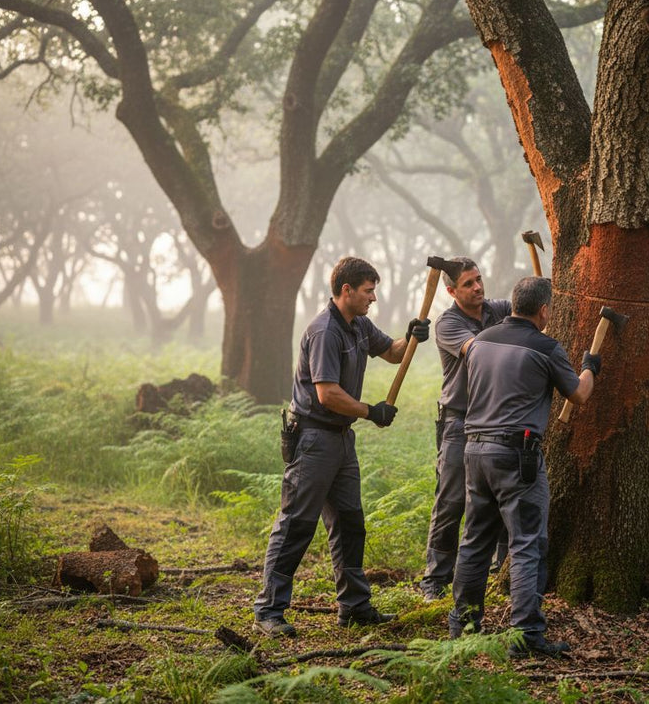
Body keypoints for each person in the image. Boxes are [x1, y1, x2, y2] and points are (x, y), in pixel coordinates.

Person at [253, 256, 431, 638]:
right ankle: (269, 609)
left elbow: (393, 352)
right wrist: (371, 411)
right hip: (314, 439)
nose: (373, 298)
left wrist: (412, 335)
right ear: (346, 290)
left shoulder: (359, 325)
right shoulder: (325, 332)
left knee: (350, 523)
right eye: (368, 291)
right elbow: (328, 394)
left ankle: (353, 606)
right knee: (296, 524)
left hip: (341, 440)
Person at [448, 276, 599, 657]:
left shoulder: (479, 342)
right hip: (519, 456)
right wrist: (590, 366)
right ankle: (526, 636)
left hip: (475, 451)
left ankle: (463, 627)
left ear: (513, 303)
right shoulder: (546, 347)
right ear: (544, 310)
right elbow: (579, 394)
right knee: (527, 543)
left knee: (474, 542)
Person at [419, 258, 512, 601]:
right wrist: (516, 335)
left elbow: (530, 313)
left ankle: (501, 570)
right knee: (452, 500)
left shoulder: (498, 309)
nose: (478, 288)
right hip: (459, 421)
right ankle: (435, 580)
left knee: (502, 497)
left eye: (479, 280)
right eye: (469, 284)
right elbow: (480, 353)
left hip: (497, 418)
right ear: (451, 291)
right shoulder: (448, 323)